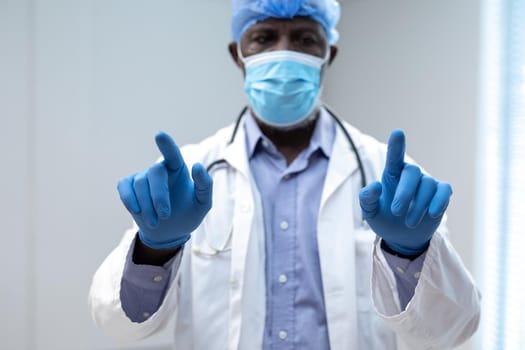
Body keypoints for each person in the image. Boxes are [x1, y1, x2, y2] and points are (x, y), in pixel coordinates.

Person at [89, 1, 481, 349]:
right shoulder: (191, 176)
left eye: (305, 39)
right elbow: (121, 325)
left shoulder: (386, 175)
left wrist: (409, 255)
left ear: (330, 54)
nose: (284, 52)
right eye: (263, 37)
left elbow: (448, 333)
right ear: (237, 54)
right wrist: (156, 248)